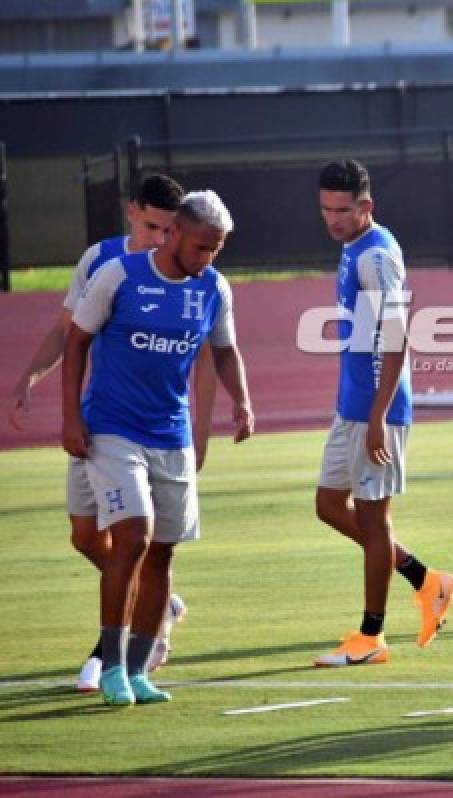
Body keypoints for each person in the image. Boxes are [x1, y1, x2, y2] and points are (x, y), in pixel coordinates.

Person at [6, 174, 210, 692]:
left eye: (169, 230)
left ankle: (120, 651)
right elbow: (67, 332)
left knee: (131, 540)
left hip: (140, 430)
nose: (158, 240)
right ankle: (158, 600)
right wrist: (32, 376)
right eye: (150, 226)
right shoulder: (101, 262)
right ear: (131, 213)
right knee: (83, 536)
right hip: (96, 422)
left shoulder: (184, 269)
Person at [61, 190, 253, 706]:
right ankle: (111, 665)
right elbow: (76, 340)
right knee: (132, 538)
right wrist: (70, 416)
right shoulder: (119, 275)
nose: (207, 258)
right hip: (113, 428)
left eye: (216, 249)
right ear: (174, 235)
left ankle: (141, 670)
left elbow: (225, 348)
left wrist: (242, 403)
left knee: (162, 552)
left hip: (172, 434)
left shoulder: (213, 287)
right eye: (200, 247)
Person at [312, 159, 453, 667]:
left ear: (366, 207)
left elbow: (397, 338)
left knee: (376, 525)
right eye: (326, 208)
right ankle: (426, 580)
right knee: (329, 505)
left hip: (378, 409)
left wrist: (378, 415)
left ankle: (371, 637)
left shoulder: (376, 257)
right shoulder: (353, 246)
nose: (332, 219)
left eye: (342, 209)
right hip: (351, 404)